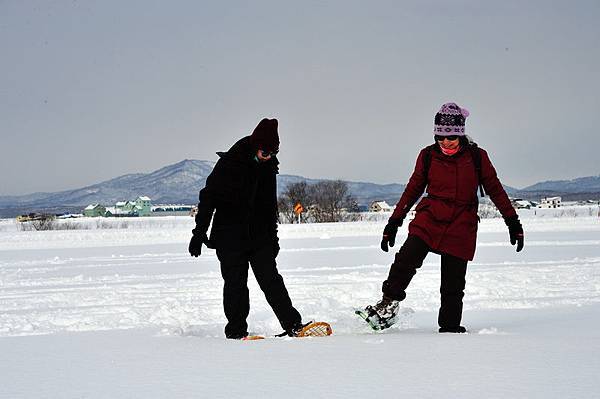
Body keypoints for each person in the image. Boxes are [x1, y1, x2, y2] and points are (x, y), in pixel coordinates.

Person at [362, 102, 524, 333]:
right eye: (440, 137)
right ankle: (387, 305)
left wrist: (513, 221)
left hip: (462, 223)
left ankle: (449, 328)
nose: (445, 143)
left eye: (451, 138)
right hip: (430, 218)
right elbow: (413, 189)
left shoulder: (477, 157)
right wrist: (394, 222)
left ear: (461, 135)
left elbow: (496, 190)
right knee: (405, 261)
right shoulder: (427, 156)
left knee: (453, 283)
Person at [189, 118, 306, 339]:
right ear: (255, 145)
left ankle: (293, 324)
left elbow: (270, 207)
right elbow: (208, 198)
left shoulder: (269, 166)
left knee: (271, 279)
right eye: (265, 152)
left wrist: (273, 240)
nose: (268, 157)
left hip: (259, 236)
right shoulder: (230, 163)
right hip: (229, 236)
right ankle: (236, 332)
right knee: (236, 284)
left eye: (273, 153)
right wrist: (199, 232)